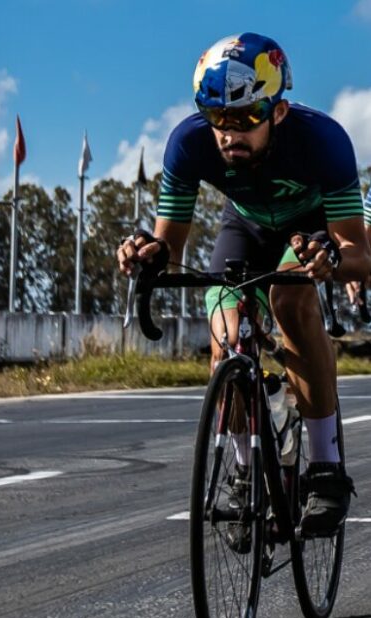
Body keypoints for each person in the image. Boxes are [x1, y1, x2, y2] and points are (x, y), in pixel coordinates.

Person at [117, 32, 370, 537]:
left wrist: (332, 263)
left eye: (245, 118)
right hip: (247, 225)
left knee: (290, 297)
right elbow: (172, 248)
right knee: (225, 332)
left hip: (311, 228)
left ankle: (325, 467)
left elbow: (359, 254)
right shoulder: (188, 144)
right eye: (218, 119)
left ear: (277, 111)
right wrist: (148, 254)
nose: (229, 134)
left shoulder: (324, 141)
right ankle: (241, 467)